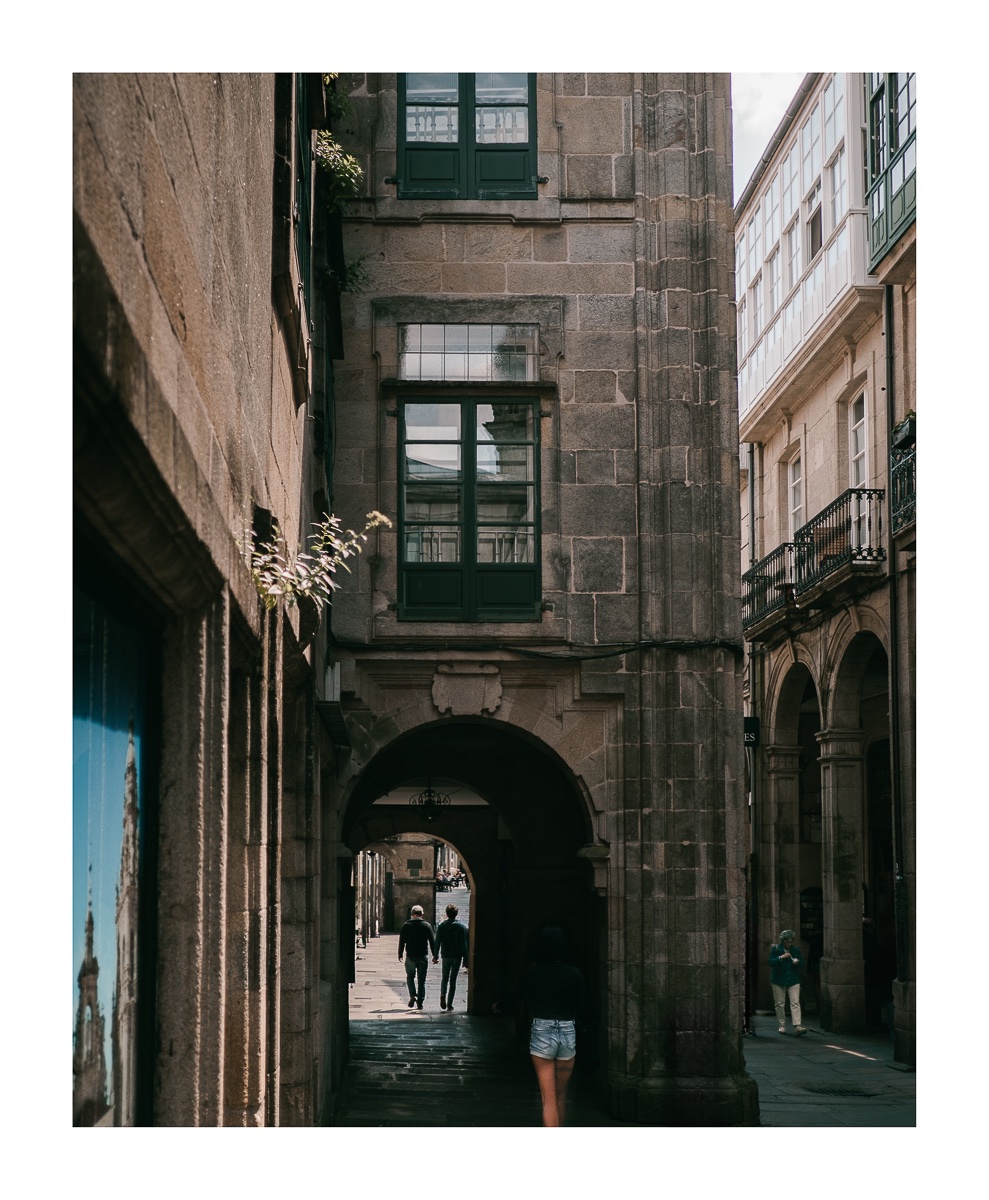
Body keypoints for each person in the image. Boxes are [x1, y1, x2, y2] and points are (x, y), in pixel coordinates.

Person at [495, 925, 587, 1127]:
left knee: (548, 1098)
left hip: (543, 1031)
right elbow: (583, 1006)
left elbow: (517, 997)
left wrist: (498, 1006)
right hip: (567, 1031)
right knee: (561, 1096)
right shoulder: (575, 974)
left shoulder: (534, 972)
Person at [769, 929, 808, 1035]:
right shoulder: (776, 949)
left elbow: (802, 963)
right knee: (780, 1003)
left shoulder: (795, 950)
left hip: (793, 979)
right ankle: (781, 1025)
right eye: (787, 941)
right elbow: (770, 962)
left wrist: (797, 962)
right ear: (783, 941)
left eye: (791, 941)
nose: (789, 944)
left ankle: (797, 1025)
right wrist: (780, 957)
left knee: (795, 1002)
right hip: (778, 980)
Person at [398, 904, 437, 1010]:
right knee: (421, 980)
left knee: (410, 977)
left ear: (412, 914)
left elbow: (402, 941)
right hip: (422, 956)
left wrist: (400, 954)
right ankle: (420, 1002)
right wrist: (435, 955)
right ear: (422, 914)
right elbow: (432, 942)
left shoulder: (406, 925)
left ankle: (412, 995)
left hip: (410, 956)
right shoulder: (427, 926)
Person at [433, 902, 469, 1010]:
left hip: (446, 955)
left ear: (446, 914)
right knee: (453, 981)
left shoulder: (442, 926)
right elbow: (464, 945)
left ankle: (443, 994)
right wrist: (466, 960)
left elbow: (437, 942)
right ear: (456, 914)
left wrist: (435, 956)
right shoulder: (461, 927)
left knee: (445, 978)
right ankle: (449, 1004)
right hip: (457, 956)